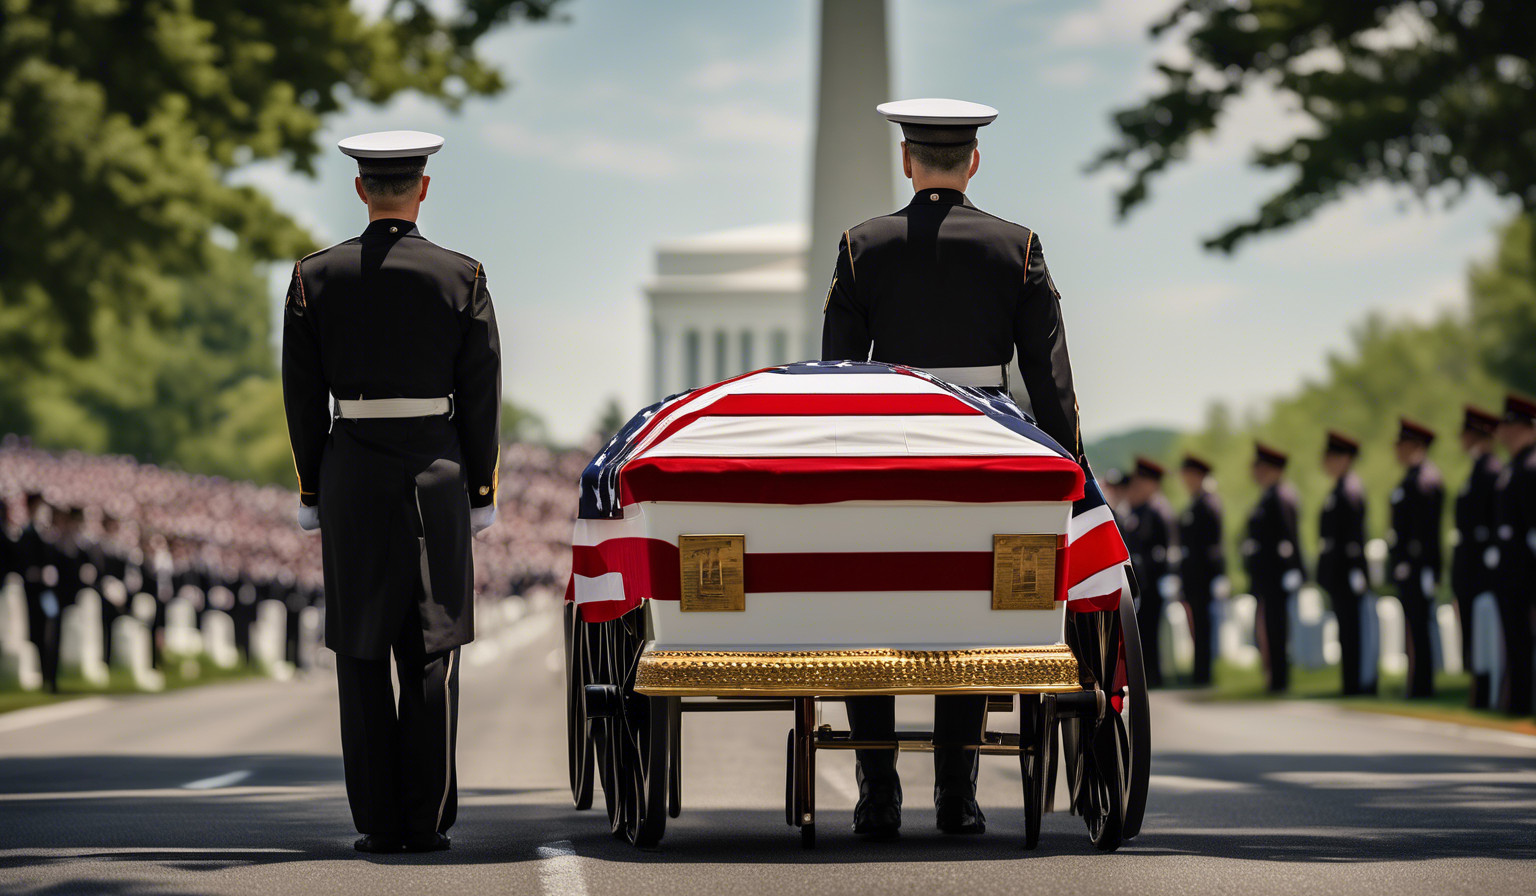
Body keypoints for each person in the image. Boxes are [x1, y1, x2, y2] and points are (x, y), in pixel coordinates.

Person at [822, 98, 1084, 838]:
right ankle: (956, 795)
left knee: (868, 611)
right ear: (973, 161)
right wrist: (1073, 470)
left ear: (908, 161)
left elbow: (839, 372)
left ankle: (877, 793)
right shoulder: (1018, 247)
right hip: (984, 449)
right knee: (969, 612)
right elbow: (1050, 380)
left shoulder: (861, 246)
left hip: (885, 454)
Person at [282, 130, 502, 853]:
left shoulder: (316, 277)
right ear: (423, 187)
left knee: (361, 647)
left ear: (360, 188)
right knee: (433, 645)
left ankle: (377, 820)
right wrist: (479, 485)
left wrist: (313, 483)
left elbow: (302, 395)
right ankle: (425, 816)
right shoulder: (460, 276)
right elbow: (478, 395)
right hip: (435, 471)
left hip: (351, 469)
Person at [1316, 431, 1376, 695]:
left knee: (1353, 630)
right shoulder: (1339, 489)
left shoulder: (1349, 490)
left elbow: (1354, 536)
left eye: (1331, 456)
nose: (1326, 462)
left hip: (1347, 572)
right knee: (1345, 629)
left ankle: (1357, 683)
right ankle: (1349, 681)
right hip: (1338, 572)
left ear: (1345, 459)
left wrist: (1355, 570)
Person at [1389, 418, 1443, 699]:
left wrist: (1426, 569)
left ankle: (1422, 685)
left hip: (1417, 566)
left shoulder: (1424, 480)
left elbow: (1426, 533)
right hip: (1408, 567)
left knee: (1419, 627)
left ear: (1415, 446)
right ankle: (1416, 682)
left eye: (1401, 444)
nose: (1396, 449)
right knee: (1412, 625)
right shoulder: (1411, 478)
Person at [1453, 406, 1502, 708]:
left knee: (1484, 631)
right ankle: (1478, 689)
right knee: (1472, 628)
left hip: (1481, 564)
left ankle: (1485, 691)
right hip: (1470, 562)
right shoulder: (1477, 468)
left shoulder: (1490, 470)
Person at [1243, 443, 1303, 693]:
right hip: (1266, 576)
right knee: (1268, 627)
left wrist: (1291, 568)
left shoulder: (1280, 496)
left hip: (1276, 575)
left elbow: (1288, 536)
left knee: (1276, 628)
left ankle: (1279, 679)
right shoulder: (1269, 495)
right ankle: (1273, 676)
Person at [1493, 393, 1536, 716]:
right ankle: (1517, 701)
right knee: (1516, 639)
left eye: (1510, 425)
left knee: (1525, 637)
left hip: (1527, 569)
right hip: (1512, 570)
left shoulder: (1531, 466)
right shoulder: (1514, 466)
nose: (1503, 432)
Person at [1124, 457, 1174, 687]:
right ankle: (1147, 676)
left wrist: (1169, 576)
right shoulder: (1139, 509)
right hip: (1141, 582)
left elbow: (1168, 548)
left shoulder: (1159, 510)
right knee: (1142, 631)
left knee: (1151, 631)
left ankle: (1154, 676)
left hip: (1154, 582)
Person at [1177, 455, 1224, 686]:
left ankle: (1204, 675)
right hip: (1193, 577)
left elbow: (1215, 544)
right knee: (1196, 625)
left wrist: (1218, 575)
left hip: (1204, 577)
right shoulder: (1196, 502)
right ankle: (1199, 673)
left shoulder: (1208, 503)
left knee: (1204, 627)